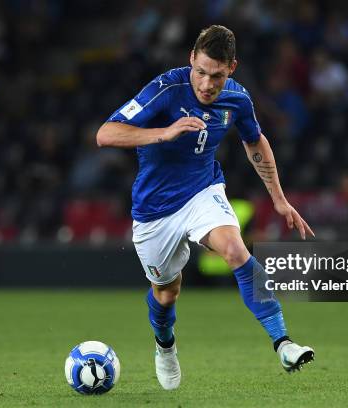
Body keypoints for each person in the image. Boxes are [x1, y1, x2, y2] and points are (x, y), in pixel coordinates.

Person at [96, 25, 315, 391]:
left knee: (235, 250)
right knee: (166, 293)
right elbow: (105, 133)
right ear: (191, 61)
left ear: (232, 68)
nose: (206, 84)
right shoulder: (166, 89)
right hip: (154, 210)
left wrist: (278, 198)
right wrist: (162, 133)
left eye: (216, 75)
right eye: (200, 72)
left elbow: (254, 140)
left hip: (203, 192)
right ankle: (165, 345)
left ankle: (284, 343)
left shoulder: (238, 99)